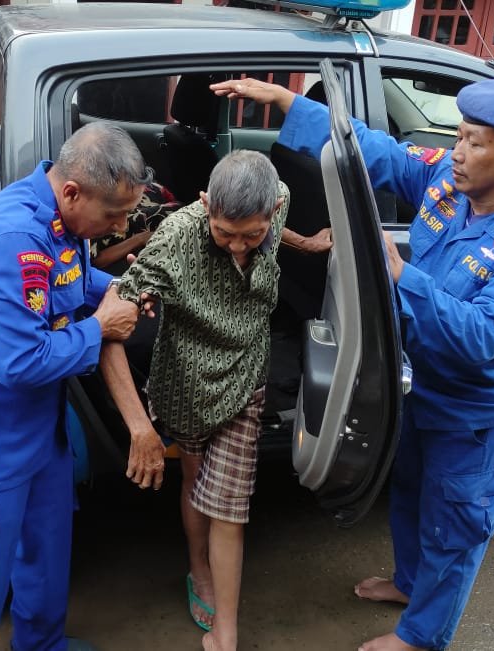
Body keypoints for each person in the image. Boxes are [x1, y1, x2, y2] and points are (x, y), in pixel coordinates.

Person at [210, 77, 494, 651]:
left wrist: (402, 277)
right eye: (458, 135)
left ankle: (422, 635)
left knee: (456, 524)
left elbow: (485, 337)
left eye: (475, 142)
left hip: (474, 409)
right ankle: (409, 583)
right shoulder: (449, 182)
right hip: (416, 383)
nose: (456, 151)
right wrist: (292, 106)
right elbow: (381, 155)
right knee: (408, 488)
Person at [0, 122, 151, 651]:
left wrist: (116, 289)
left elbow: (67, 279)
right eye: (114, 215)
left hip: (39, 435)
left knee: (45, 555)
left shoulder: (55, 209)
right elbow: (20, 362)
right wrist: (100, 328)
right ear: (73, 191)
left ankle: (42, 645)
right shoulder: (17, 237)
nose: (120, 228)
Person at [100, 150, 333, 651]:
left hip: (246, 377)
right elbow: (108, 326)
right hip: (184, 384)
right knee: (193, 478)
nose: (239, 246)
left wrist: (307, 245)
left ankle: (225, 633)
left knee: (229, 505)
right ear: (206, 204)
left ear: (273, 209)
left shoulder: (279, 202)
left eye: (253, 235)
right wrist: (140, 427)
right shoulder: (174, 241)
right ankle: (197, 566)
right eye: (225, 233)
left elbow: (275, 228)